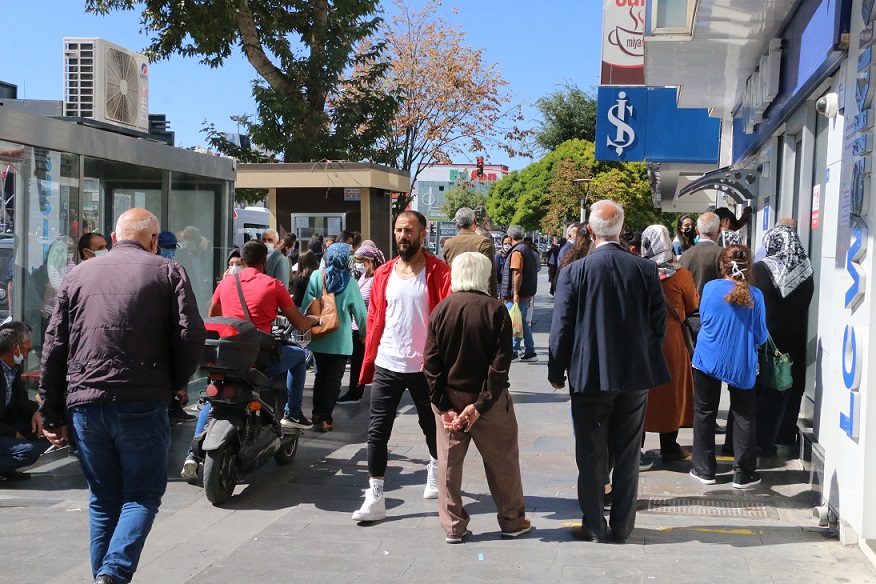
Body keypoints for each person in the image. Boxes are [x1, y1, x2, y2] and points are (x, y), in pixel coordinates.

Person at [39, 208, 208, 584]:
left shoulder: (78, 274)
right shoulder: (168, 271)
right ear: (152, 240)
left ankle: (105, 575)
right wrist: (175, 382)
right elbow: (191, 335)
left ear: (114, 239)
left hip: (85, 402)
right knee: (141, 495)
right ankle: (113, 573)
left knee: (102, 499)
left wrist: (51, 412)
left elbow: (53, 346)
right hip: (141, 398)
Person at [548, 200, 670, 544]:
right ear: (620, 229)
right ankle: (623, 526)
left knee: (590, 452)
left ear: (590, 231)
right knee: (629, 453)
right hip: (634, 376)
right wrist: (642, 356)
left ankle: (593, 524)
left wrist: (557, 370)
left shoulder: (574, 272)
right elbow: (658, 326)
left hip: (589, 376)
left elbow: (562, 328)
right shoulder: (646, 270)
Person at [182, 240, 316, 480]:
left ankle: (191, 455)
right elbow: (298, 322)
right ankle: (293, 413)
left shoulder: (226, 283)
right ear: (265, 261)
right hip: (258, 359)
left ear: (241, 262)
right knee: (298, 357)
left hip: (226, 357)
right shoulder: (273, 284)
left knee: (212, 399)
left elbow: (212, 315)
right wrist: (313, 320)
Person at [351, 210, 451, 522]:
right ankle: (375, 497)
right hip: (388, 362)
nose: (402, 236)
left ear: (423, 234)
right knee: (377, 432)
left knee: (430, 426)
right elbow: (374, 316)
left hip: (424, 367)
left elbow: (447, 319)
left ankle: (435, 469)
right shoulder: (383, 274)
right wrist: (370, 352)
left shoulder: (439, 272)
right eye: (398, 230)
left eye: (408, 230)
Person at [424, 252, 530, 543]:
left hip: (449, 395)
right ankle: (512, 520)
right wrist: (481, 404)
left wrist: (443, 405)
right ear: (485, 276)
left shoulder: (441, 309)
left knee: (448, 465)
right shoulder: (495, 310)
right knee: (503, 461)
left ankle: (453, 526)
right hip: (490, 399)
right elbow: (499, 367)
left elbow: (430, 365)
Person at [690, 245, 768, 489]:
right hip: (740, 361)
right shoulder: (755, 295)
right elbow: (761, 335)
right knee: (744, 414)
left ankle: (704, 470)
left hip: (707, 358)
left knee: (704, 412)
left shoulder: (711, 288)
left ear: (722, 265)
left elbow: (704, 317)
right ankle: (743, 473)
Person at [752, 223, 814, 454]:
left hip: (766, 339)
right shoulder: (806, 271)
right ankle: (784, 433)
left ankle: (761, 441)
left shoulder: (760, 269)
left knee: (765, 390)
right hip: (795, 338)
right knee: (789, 386)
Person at [640, 225, 699, 462]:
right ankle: (669, 447)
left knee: (641, 394)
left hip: (642, 341)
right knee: (670, 393)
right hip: (672, 342)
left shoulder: (638, 271)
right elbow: (693, 304)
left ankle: (636, 449)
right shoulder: (680, 274)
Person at [301, 243, 367, 432]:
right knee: (333, 380)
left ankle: (315, 412)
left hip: (319, 336)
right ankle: (325, 418)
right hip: (340, 340)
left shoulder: (316, 276)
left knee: (319, 376)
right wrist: (364, 333)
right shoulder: (351, 282)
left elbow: (306, 305)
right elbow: (361, 315)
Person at [338, 244, 385, 404]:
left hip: (366, 329)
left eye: (361, 261)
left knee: (361, 362)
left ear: (371, 261)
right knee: (357, 362)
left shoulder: (376, 279)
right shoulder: (363, 277)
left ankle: (355, 393)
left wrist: (370, 331)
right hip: (356, 326)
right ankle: (354, 391)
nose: (358, 264)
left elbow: (377, 306)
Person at [0, 321, 41, 481]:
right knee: (29, 450)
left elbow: (21, 401)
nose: (30, 346)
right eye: (27, 342)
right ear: (15, 347)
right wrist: (14, 434)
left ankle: (7, 469)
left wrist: (36, 412)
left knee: (38, 426)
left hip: (5, 424)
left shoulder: (13, 368)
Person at [680, 212, 723, 341]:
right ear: (719, 229)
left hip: (691, 321)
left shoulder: (685, 256)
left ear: (697, 230)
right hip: (717, 320)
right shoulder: (723, 255)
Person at [500, 225, 538, 362]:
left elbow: (517, 273)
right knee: (520, 321)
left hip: (518, 294)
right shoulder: (526, 249)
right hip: (526, 292)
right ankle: (530, 350)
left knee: (514, 322)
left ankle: (514, 350)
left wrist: (515, 293)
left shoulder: (517, 252)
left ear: (509, 238)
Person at [442, 207, 498, 298]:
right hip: (479, 295)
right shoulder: (484, 242)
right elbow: (491, 273)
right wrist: (494, 298)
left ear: (458, 226)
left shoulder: (448, 243)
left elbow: (445, 272)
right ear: (475, 222)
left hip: (454, 294)